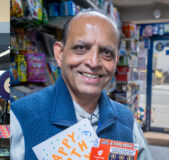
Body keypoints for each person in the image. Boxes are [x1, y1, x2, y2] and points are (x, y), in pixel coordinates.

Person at [10, 10, 153, 160]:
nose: (93, 62)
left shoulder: (128, 124)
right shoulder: (19, 119)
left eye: (107, 53)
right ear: (60, 53)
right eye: (80, 48)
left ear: (115, 62)